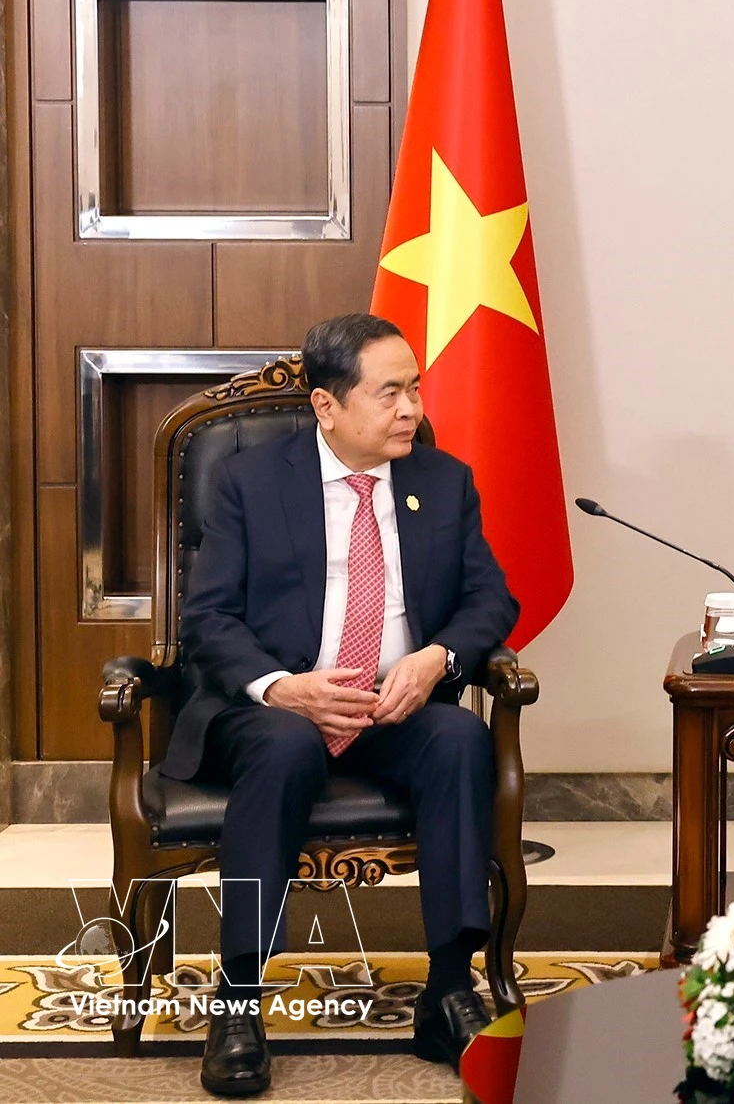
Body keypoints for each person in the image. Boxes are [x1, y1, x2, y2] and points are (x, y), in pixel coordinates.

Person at [163, 314, 519, 1097]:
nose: (411, 408)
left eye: (415, 388)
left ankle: (448, 990)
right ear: (326, 405)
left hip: (391, 704)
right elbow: (208, 619)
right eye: (389, 392)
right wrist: (283, 688)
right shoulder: (252, 481)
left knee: (460, 737)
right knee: (286, 744)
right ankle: (239, 999)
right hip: (274, 708)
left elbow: (491, 599)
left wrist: (436, 659)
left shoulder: (443, 480)